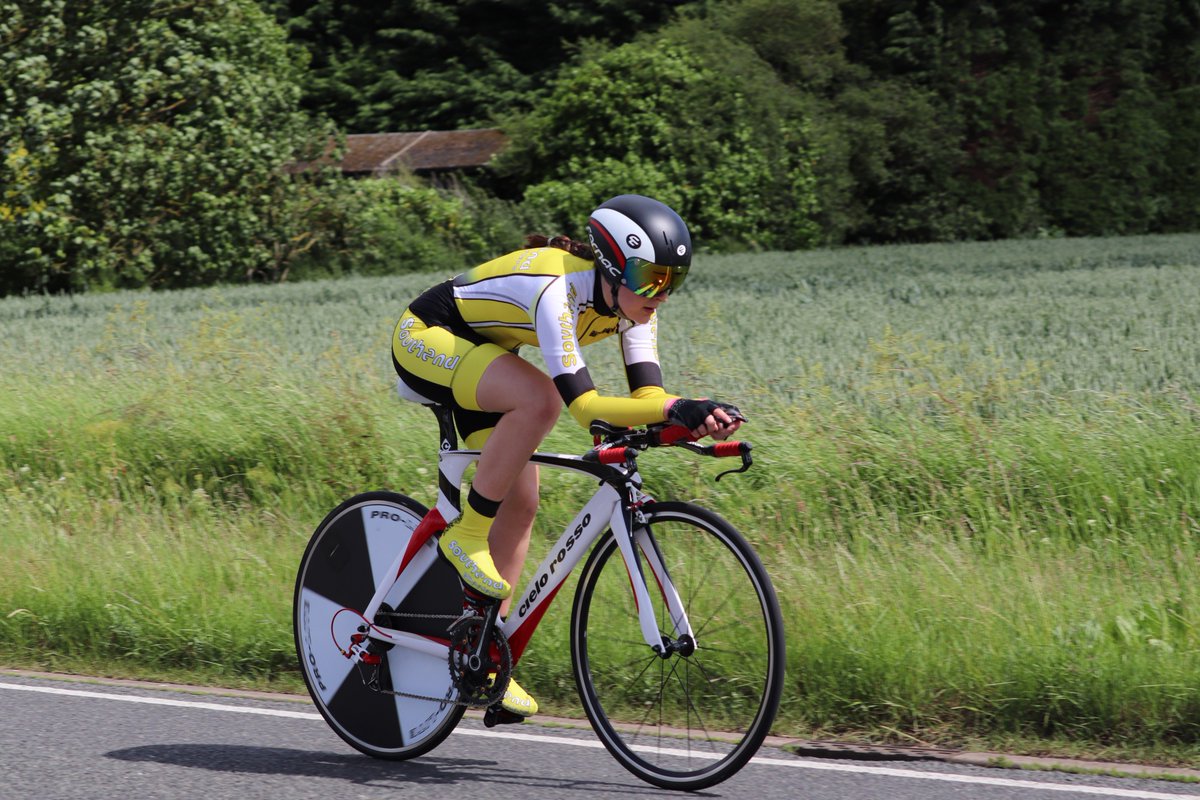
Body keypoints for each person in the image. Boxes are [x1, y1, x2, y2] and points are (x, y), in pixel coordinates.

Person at [391, 194, 744, 720]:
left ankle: (484, 659)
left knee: (522, 503)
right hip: (428, 337)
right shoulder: (559, 292)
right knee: (540, 398)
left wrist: (689, 414)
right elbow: (583, 406)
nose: (661, 295)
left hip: (488, 355)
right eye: (652, 279)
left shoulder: (635, 308)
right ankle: (465, 536)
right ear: (610, 267)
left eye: (673, 282)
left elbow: (647, 400)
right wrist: (676, 407)